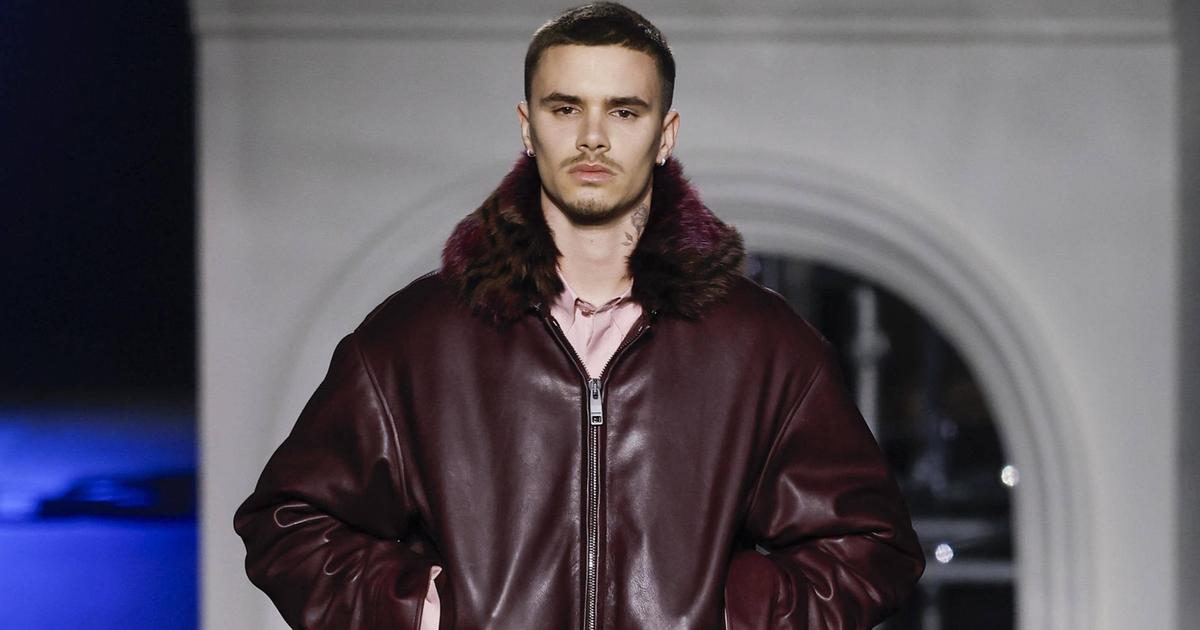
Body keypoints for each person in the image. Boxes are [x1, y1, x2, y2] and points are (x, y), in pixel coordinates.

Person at [233, 3, 925, 628]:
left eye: (624, 112)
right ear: (527, 126)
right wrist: (426, 611)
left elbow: (873, 545)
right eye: (566, 109)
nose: (593, 137)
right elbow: (287, 524)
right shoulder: (417, 339)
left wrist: (732, 612)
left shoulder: (762, 346)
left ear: (665, 134)